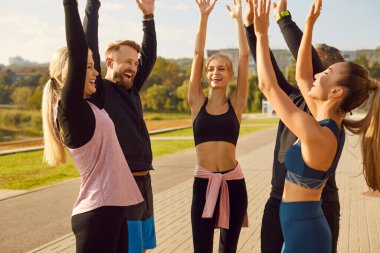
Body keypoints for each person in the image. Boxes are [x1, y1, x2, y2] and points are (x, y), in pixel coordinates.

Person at [254, 0, 380, 252]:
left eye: (326, 73)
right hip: (299, 228)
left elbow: (267, 86)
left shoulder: (318, 134)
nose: (318, 74)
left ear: (335, 91)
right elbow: (302, 75)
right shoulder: (324, 120)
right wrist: (308, 25)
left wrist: (260, 34)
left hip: (305, 235)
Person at [41, 0, 143, 252]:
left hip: (112, 209)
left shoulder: (92, 106)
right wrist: (70, 4)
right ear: (69, 74)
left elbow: (87, 45)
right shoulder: (70, 111)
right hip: (97, 214)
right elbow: (78, 50)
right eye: (87, 68)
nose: (95, 72)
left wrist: (93, 5)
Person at [243, 0, 344, 251]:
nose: (312, 73)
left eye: (321, 72)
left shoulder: (328, 114)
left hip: (317, 207)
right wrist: (251, 27)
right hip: (279, 202)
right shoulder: (296, 98)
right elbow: (272, 74)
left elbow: (284, 78)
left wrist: (283, 20)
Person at [83, 0, 157, 252]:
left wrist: (148, 17)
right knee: (130, 249)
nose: (134, 67)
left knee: (143, 247)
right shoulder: (101, 92)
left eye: (135, 63)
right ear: (109, 63)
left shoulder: (133, 87)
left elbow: (150, 56)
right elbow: (88, 42)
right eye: (127, 62)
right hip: (122, 188)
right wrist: (93, 6)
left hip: (144, 181)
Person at [188, 0, 250, 252]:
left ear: (231, 75)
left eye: (222, 69)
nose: (216, 72)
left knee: (228, 248)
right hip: (203, 183)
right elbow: (197, 54)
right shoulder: (196, 102)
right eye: (211, 69)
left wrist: (238, 19)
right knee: (202, 248)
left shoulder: (236, 103)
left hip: (233, 183)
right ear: (205, 75)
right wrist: (204, 17)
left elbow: (245, 56)